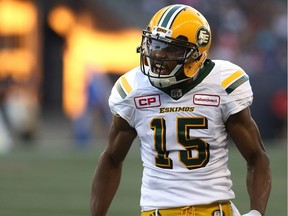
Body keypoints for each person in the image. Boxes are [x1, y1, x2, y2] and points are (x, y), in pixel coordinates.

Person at [90, 4, 271, 216]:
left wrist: (257, 212)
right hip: (157, 211)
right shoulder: (133, 89)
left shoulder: (223, 84)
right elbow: (111, 159)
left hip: (215, 210)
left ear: (196, 53)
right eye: (155, 44)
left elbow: (257, 157)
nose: (158, 54)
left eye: (171, 48)